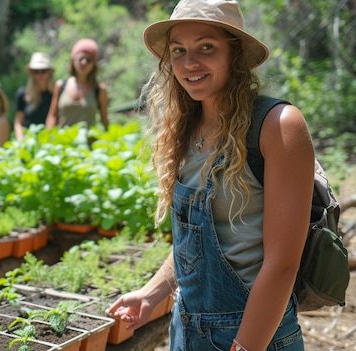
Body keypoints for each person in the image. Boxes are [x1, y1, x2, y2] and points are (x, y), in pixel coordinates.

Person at [106, 1, 315, 351]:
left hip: (256, 336)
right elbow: (199, 242)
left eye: (206, 47)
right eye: (178, 51)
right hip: (186, 331)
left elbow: (283, 264)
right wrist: (150, 293)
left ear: (235, 54)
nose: (189, 63)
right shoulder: (187, 127)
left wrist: (245, 346)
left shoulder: (277, 126)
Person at [45, 38, 109, 130]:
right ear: (73, 60)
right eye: (80, 58)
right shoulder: (60, 86)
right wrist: (48, 138)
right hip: (63, 141)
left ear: (94, 64)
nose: (84, 62)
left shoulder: (99, 90)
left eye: (88, 59)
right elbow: (52, 116)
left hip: (88, 143)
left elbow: (104, 120)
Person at [13, 52, 54, 140]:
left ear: (49, 72)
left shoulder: (55, 93)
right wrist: (21, 140)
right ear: (32, 73)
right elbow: (18, 122)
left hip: (49, 140)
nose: (40, 75)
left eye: (43, 71)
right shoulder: (23, 93)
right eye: (36, 72)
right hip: (28, 139)